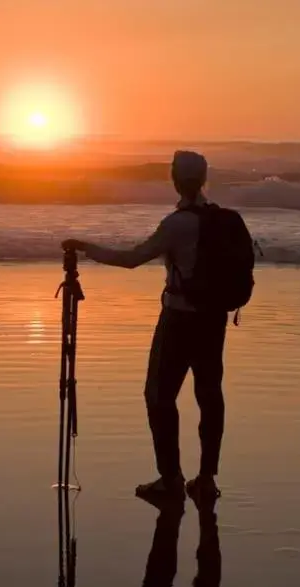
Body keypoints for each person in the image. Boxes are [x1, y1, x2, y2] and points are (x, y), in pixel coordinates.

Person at [62, 150, 232, 503]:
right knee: (209, 396)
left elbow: (131, 259)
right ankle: (206, 479)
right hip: (213, 319)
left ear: (175, 179)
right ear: (203, 179)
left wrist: (85, 248)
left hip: (179, 320)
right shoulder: (220, 220)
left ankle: (170, 479)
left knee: (159, 396)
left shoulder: (178, 223)